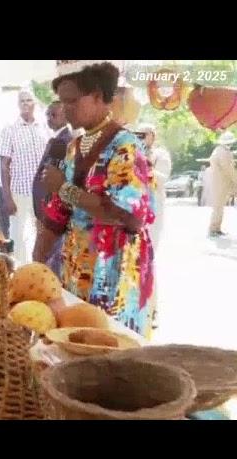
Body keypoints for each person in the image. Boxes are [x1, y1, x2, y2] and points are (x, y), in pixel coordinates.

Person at [40, 61, 156, 338]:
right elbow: (58, 215)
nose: (65, 108)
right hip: (75, 270)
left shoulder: (126, 145)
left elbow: (127, 214)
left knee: (111, 349)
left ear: (97, 96)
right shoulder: (73, 147)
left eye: (72, 101)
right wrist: (37, 262)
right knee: (75, 342)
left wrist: (64, 188)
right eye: (62, 101)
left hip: (114, 271)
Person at [0, 89, 51, 264]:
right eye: (22, 101)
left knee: (42, 233)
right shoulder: (10, 129)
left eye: (29, 100)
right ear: (18, 105)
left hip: (42, 192)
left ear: (34, 104)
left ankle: (39, 270)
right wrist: (7, 196)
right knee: (18, 235)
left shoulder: (44, 128)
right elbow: (4, 165)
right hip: (19, 192)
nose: (26, 104)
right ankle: (19, 271)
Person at [32, 101, 74, 276]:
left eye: (54, 114)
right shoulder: (55, 140)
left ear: (66, 115)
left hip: (52, 212)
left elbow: (56, 179)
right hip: (44, 211)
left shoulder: (65, 142)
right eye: (47, 114)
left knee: (46, 262)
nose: (49, 118)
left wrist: (46, 211)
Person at [133, 123, 172, 250]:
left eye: (144, 134)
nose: (141, 138)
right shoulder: (131, 152)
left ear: (152, 136)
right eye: (138, 134)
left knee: (152, 239)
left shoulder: (161, 154)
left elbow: (162, 178)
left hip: (154, 201)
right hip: (135, 202)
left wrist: (145, 165)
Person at [208, 131, 237, 237]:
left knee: (218, 206)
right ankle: (214, 228)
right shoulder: (225, 153)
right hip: (222, 182)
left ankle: (215, 228)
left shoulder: (217, 150)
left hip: (217, 182)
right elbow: (229, 169)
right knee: (219, 207)